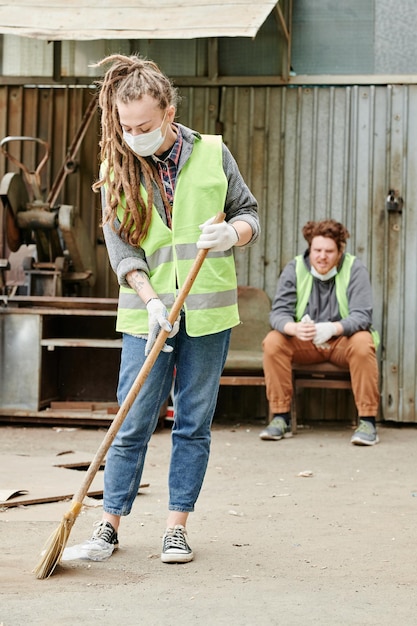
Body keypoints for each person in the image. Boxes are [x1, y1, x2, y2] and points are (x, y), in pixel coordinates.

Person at [64, 54, 259, 565]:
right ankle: (108, 526)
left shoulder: (214, 154)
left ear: (169, 112)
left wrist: (230, 236)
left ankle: (176, 527)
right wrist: (151, 301)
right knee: (131, 420)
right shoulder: (116, 165)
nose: (134, 135)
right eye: (126, 127)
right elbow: (121, 247)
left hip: (208, 315)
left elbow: (249, 214)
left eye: (145, 126)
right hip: (145, 315)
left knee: (193, 423)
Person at [259, 219, 380, 446]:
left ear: (339, 250)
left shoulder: (355, 268)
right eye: (317, 250)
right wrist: (293, 328)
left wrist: (333, 328)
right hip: (306, 343)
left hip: (342, 343)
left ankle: (368, 421)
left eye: (328, 251)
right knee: (273, 341)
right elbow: (278, 313)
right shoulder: (294, 268)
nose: (322, 256)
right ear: (309, 248)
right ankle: (280, 418)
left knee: (364, 341)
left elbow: (363, 316)